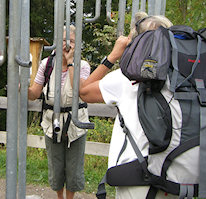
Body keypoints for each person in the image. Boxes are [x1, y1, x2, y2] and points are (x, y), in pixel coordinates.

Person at [79, 12, 178, 199]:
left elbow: (84, 91)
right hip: (175, 177)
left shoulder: (125, 79)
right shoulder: (182, 78)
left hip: (137, 178)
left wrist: (114, 55)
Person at [28, 25, 90, 199]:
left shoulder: (83, 65)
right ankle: (59, 197)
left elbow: (80, 90)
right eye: (63, 40)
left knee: (74, 167)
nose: (67, 45)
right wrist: (22, 87)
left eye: (71, 41)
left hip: (76, 124)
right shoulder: (46, 64)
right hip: (51, 121)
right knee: (55, 166)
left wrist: (70, 62)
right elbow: (34, 94)